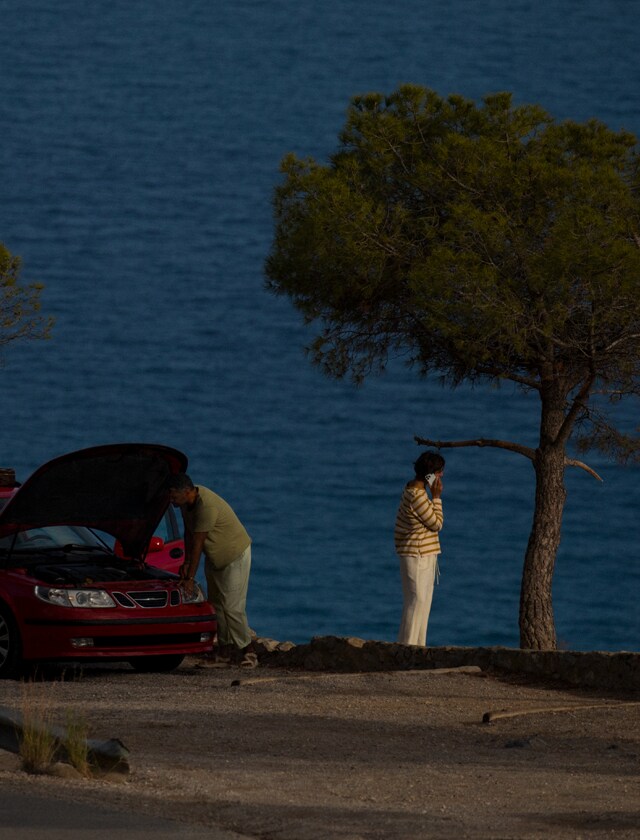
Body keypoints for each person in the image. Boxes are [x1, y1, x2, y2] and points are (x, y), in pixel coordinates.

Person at [168, 473, 257, 668]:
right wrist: (186, 561)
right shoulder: (185, 504)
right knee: (216, 604)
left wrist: (190, 576)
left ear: (186, 492)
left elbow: (198, 542)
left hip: (235, 555)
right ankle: (224, 654)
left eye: (174, 496)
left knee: (232, 606)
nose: (171, 500)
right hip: (215, 556)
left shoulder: (206, 506)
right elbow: (189, 534)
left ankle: (248, 652)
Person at [394, 451, 445, 647]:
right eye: (439, 473)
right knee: (417, 601)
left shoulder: (415, 491)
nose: (441, 477)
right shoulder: (417, 495)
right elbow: (436, 523)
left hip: (422, 554)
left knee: (422, 603)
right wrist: (437, 497)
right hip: (417, 555)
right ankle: (407, 648)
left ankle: (417, 646)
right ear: (431, 474)